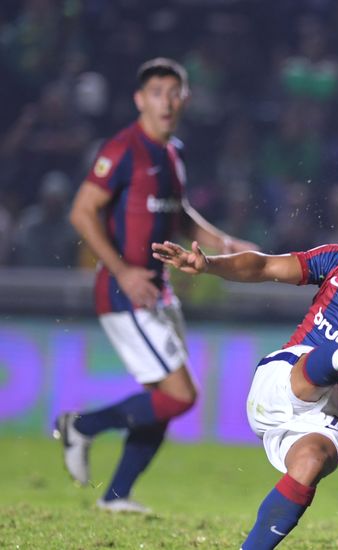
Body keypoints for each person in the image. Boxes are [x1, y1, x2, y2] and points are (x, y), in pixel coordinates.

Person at [151, 202, 338, 549]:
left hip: (334, 421)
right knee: (315, 370)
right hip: (286, 380)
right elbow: (263, 265)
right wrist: (208, 265)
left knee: (310, 463)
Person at [52, 58, 258, 513]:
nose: (166, 101)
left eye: (174, 92)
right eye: (157, 92)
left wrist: (225, 243)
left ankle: (117, 495)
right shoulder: (123, 149)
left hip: (158, 289)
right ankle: (82, 425)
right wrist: (123, 269)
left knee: (163, 399)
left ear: (185, 99)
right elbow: (82, 211)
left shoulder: (171, 153)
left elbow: (179, 217)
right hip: (127, 291)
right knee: (180, 395)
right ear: (140, 99)